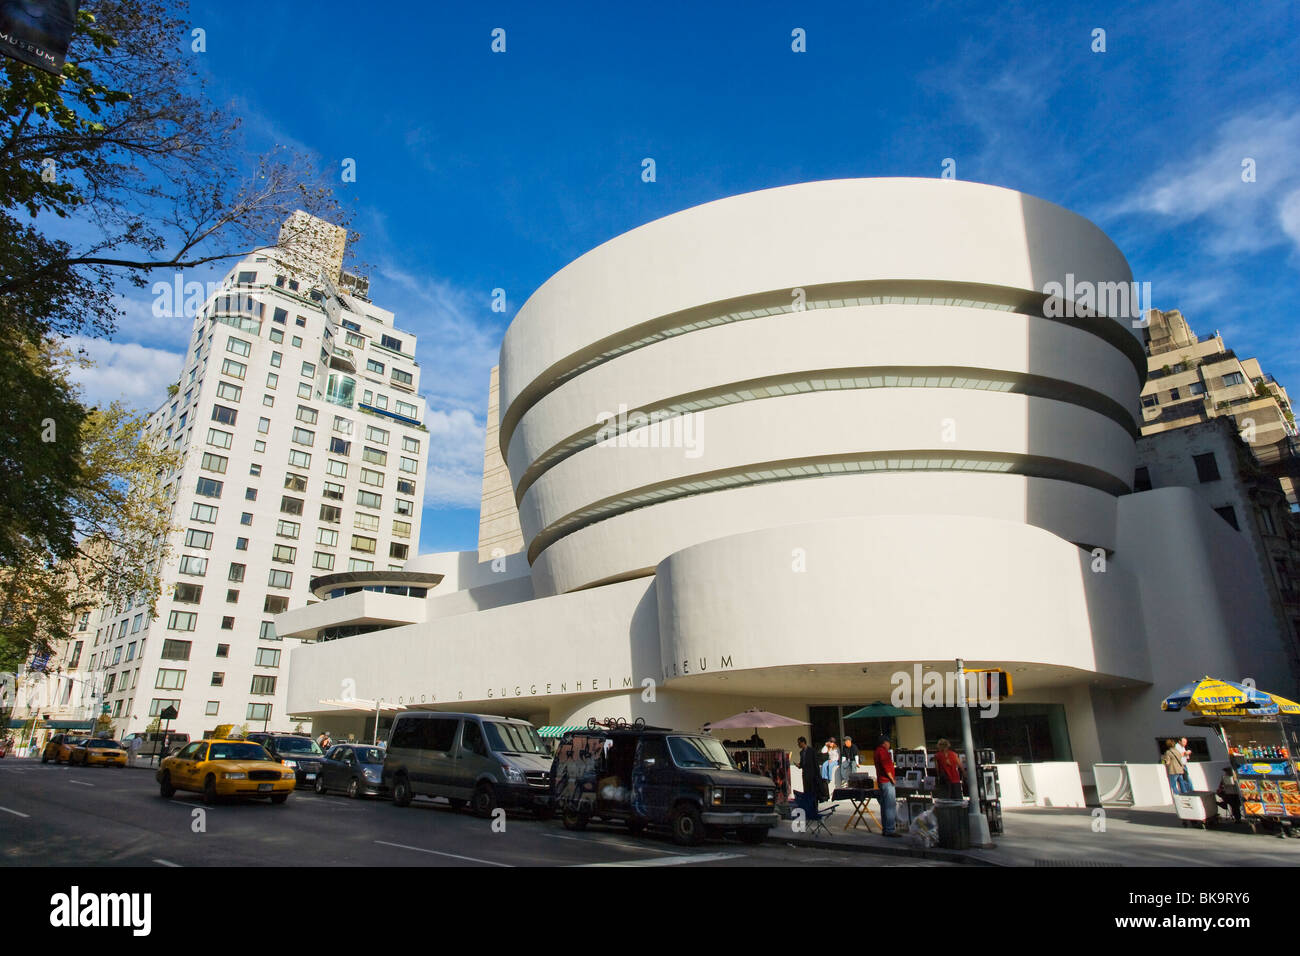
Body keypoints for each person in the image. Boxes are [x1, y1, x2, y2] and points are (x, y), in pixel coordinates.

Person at [874, 735, 899, 836]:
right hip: (886, 781)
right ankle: (890, 829)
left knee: (884, 806)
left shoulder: (876, 751)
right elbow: (886, 767)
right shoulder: (883, 752)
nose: (889, 745)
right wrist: (892, 779)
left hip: (882, 781)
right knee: (890, 806)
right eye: (888, 743)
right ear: (885, 743)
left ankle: (886, 828)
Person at [795, 736, 821, 819]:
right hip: (805, 775)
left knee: (813, 793)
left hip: (812, 775)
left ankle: (815, 810)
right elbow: (802, 764)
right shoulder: (801, 752)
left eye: (799, 743)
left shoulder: (811, 751)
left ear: (803, 742)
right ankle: (809, 810)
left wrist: (817, 775)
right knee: (807, 793)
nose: (798, 744)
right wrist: (799, 765)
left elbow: (816, 764)